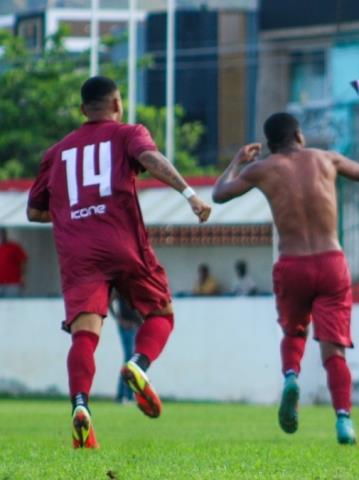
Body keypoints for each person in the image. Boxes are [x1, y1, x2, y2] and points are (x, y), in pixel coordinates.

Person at [26, 76, 212, 448]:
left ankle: (81, 405)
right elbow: (149, 158)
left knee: (84, 334)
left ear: (83, 110)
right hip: (120, 241)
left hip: (79, 253)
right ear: (116, 104)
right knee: (161, 313)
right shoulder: (127, 133)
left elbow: (34, 211)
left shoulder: (56, 152)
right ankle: (138, 365)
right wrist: (189, 194)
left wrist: (71, 213)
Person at [212, 112, 359, 445]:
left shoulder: (262, 169)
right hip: (331, 262)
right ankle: (344, 420)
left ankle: (291, 376)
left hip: (293, 264)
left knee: (294, 331)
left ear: (269, 144)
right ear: (299, 135)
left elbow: (219, 194)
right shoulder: (327, 159)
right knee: (334, 349)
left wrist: (237, 161)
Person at [109, 293, 141, 403]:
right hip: (127, 325)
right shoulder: (122, 285)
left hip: (137, 324)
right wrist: (118, 319)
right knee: (129, 359)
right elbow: (110, 301)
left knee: (134, 360)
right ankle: (125, 395)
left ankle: (126, 395)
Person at [0, 228, 28, 297]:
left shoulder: (14, 247)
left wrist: (23, 276)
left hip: (13, 283)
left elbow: (23, 261)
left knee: (12, 305)